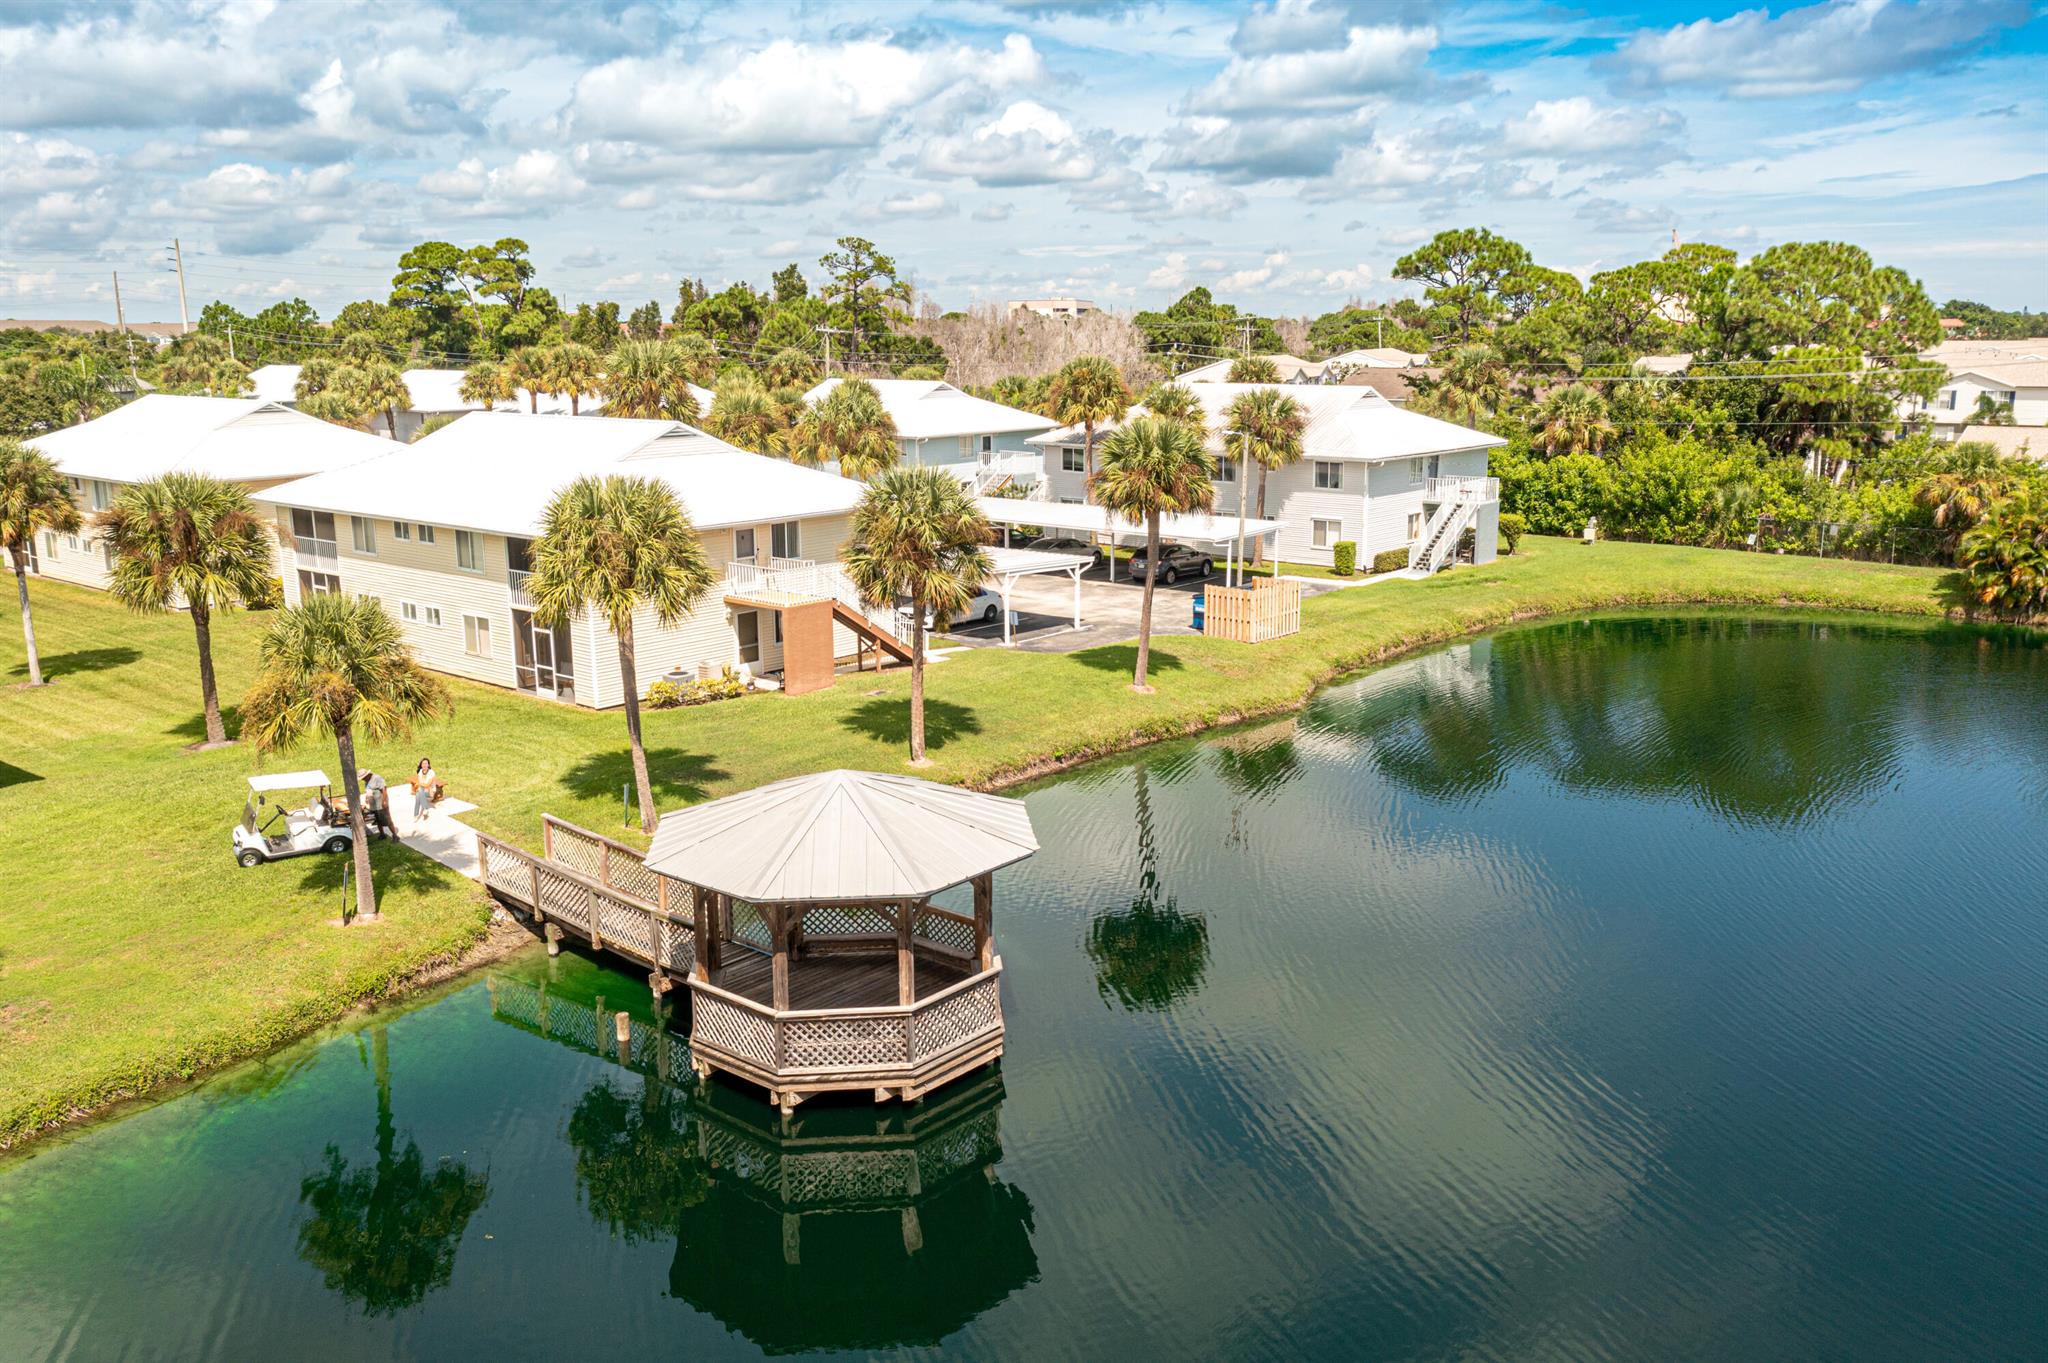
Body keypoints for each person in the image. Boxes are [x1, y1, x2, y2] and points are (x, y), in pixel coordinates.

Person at [359, 769, 396, 840]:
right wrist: (366, 800)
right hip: (373, 805)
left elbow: (384, 790)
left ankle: (394, 835)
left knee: (387, 819)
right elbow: (368, 791)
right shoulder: (367, 781)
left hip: (381, 803)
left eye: (363, 778)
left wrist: (384, 801)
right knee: (378, 820)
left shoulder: (377, 778)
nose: (363, 779)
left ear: (367, 775)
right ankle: (382, 834)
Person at [411, 757, 438, 822]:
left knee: (419, 791)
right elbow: (419, 783)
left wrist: (419, 785)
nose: (424, 765)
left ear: (428, 765)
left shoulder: (431, 773)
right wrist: (419, 785)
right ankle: (418, 813)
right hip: (422, 790)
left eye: (426, 763)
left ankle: (420, 812)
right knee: (418, 794)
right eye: (423, 763)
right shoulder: (420, 771)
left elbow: (428, 785)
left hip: (430, 792)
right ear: (421, 765)